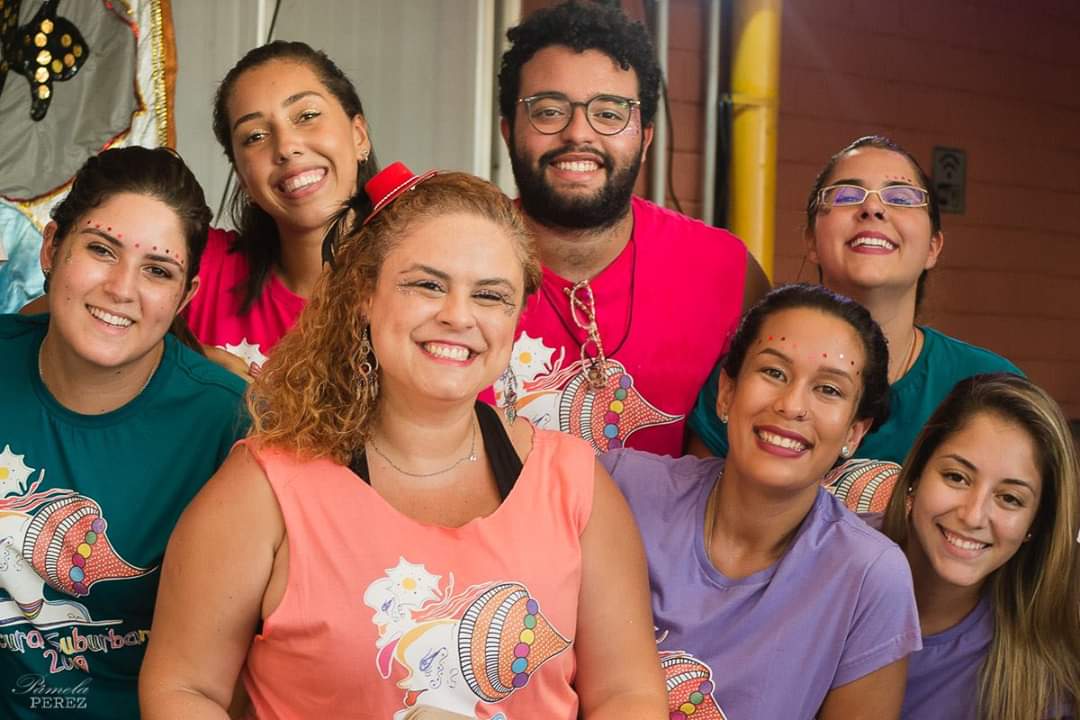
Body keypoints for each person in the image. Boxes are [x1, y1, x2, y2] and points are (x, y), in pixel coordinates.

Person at [139, 164, 668, 719]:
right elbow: (183, 688)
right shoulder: (264, 490)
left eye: (490, 295)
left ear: (515, 318)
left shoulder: (575, 486)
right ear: (365, 296)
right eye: (428, 285)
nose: (458, 316)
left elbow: (628, 694)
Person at [0, 147, 248, 719]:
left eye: (157, 270)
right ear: (52, 247)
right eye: (100, 249)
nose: (120, 288)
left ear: (185, 297)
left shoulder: (231, 424)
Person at [601, 284, 922, 719]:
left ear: (854, 432)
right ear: (726, 392)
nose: (791, 405)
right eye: (773, 372)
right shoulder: (621, 488)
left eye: (829, 390)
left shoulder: (869, 577)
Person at [489, 0, 769, 456]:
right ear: (508, 131)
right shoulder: (454, 265)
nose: (578, 134)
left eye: (609, 113)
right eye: (548, 111)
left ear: (646, 137)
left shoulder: (726, 272)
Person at [691, 135, 1020, 467]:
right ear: (811, 240)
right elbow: (700, 496)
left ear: (933, 248)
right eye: (847, 195)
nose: (873, 208)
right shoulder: (749, 373)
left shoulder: (987, 386)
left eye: (901, 197)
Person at [878, 373, 1080, 720]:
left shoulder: (1045, 679)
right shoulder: (830, 553)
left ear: (1035, 524)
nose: (973, 516)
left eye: (1010, 498)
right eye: (957, 477)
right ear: (916, 473)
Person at [183, 40, 379, 376]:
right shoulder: (199, 263)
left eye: (307, 116)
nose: (286, 147)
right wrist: (178, 360)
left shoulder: (426, 288)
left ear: (359, 135)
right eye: (255, 136)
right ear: (242, 178)